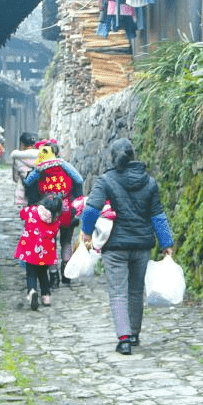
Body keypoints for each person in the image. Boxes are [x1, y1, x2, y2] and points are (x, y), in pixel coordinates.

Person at [80, 138, 174, 355]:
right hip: (142, 245)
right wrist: (166, 243)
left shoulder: (105, 181)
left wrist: (86, 232)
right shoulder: (149, 182)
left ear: (113, 158)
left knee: (118, 292)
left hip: (115, 247)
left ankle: (123, 338)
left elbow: (92, 209)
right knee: (135, 291)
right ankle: (134, 333)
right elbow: (157, 215)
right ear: (133, 156)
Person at [23, 139, 84, 288]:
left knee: (49, 242)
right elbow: (79, 179)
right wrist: (77, 198)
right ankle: (67, 272)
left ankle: (53, 276)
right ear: (57, 153)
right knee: (66, 241)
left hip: (47, 209)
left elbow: (28, 183)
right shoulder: (64, 165)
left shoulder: (40, 167)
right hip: (65, 208)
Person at [14, 194, 62, 310]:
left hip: (30, 251)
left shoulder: (32, 211)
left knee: (31, 274)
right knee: (43, 274)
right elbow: (55, 234)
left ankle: (32, 291)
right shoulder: (55, 222)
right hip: (45, 253)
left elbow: (22, 214)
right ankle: (46, 296)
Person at [10, 132, 39, 209]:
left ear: (22, 143)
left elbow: (15, 177)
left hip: (25, 185)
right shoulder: (41, 155)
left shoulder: (17, 156)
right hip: (40, 185)